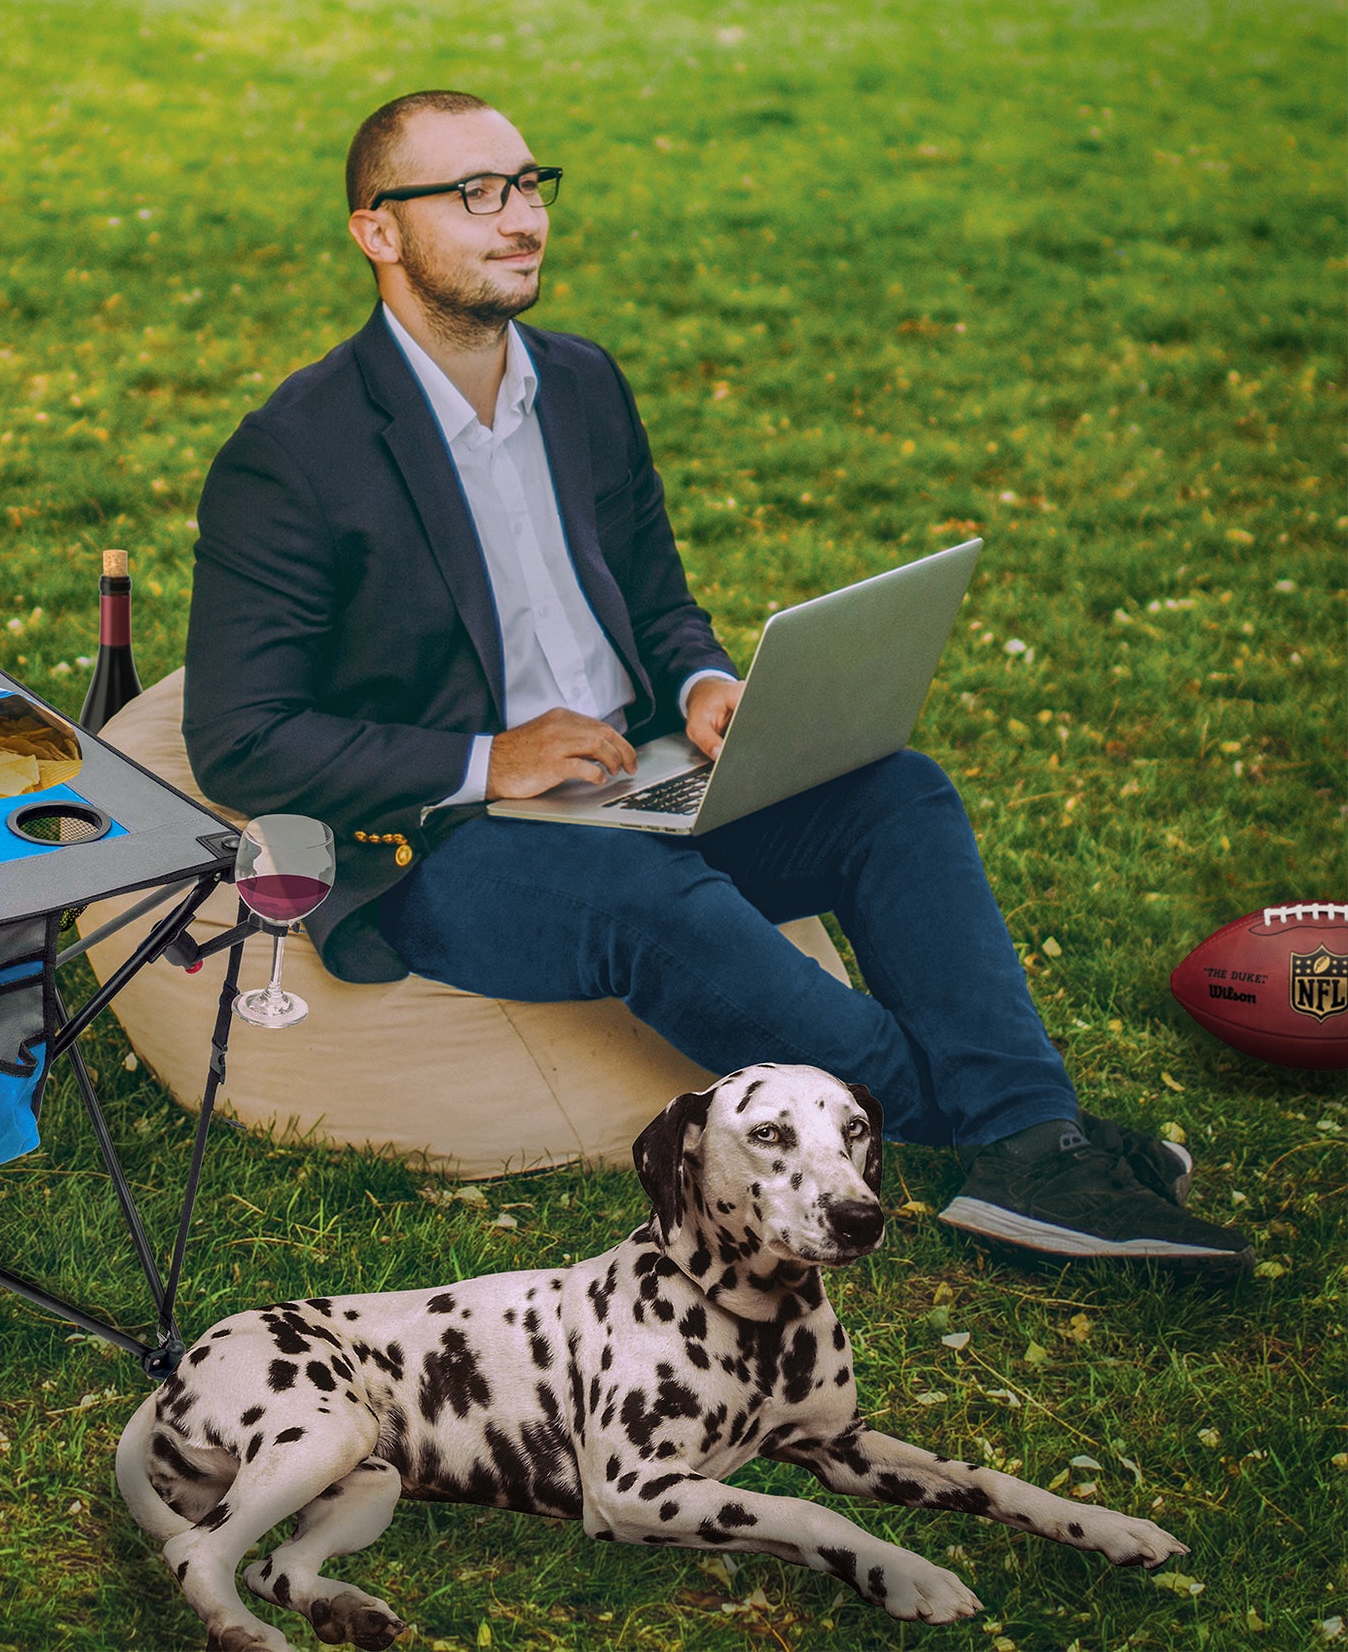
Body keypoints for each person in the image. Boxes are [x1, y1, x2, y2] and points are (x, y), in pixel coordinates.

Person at [183, 89, 1250, 1273]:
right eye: (475, 193)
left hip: (635, 773)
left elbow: (654, 592)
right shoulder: (290, 454)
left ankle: (1026, 1143)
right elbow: (239, 733)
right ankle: (1016, 1136)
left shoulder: (581, 384)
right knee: (654, 901)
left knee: (895, 790)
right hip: (444, 840)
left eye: (530, 184)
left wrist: (698, 677)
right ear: (376, 231)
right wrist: (495, 756)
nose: (519, 217)